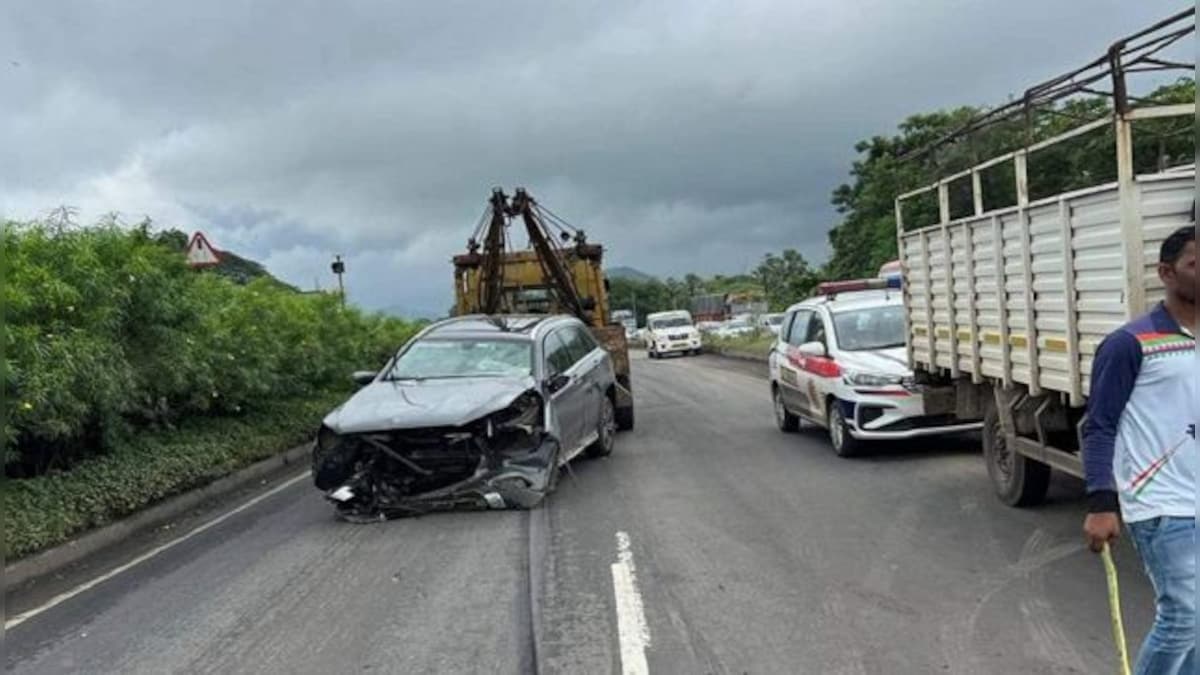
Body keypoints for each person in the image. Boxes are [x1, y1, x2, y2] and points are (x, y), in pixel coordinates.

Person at [1082, 213, 1196, 675]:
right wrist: (1101, 502)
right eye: (1195, 263)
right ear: (1166, 274)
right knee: (1186, 616)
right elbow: (1100, 425)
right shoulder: (1130, 343)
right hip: (1163, 504)